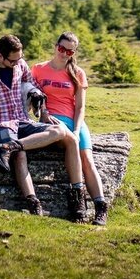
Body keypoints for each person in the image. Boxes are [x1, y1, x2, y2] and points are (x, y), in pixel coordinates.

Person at [0, 34, 87, 220]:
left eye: (20, 58)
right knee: (21, 155)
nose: (18, 63)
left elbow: (34, 87)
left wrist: (44, 111)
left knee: (58, 131)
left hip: (22, 120)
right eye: (13, 60)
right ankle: (33, 202)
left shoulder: (21, 64)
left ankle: (9, 147)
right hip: (0, 123)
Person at [32, 32, 110, 226]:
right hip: (51, 121)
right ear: (55, 46)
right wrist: (43, 113)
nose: (64, 53)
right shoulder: (38, 69)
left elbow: (80, 107)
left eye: (69, 51)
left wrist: (76, 130)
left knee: (88, 159)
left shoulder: (78, 73)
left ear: (74, 52)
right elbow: (32, 97)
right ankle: (78, 200)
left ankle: (100, 207)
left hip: (74, 121)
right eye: (61, 48)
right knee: (69, 144)